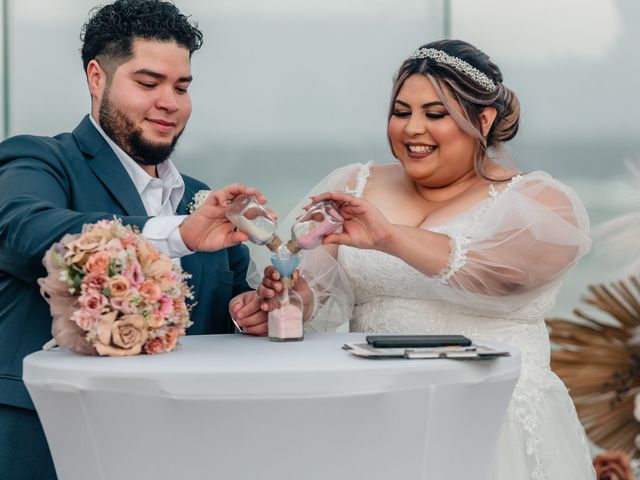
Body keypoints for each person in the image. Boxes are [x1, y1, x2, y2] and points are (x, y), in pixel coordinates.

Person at [257, 39, 596, 478]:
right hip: (375, 419)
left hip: (495, 423)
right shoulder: (354, 184)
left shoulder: (540, 201)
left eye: (436, 115)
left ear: (485, 119)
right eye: (401, 112)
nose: (413, 129)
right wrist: (287, 299)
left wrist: (387, 237)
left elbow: (500, 275)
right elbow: (316, 290)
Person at [0, 1, 267, 478]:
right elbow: (27, 231)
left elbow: (225, 320)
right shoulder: (37, 159)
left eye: (181, 87)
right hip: (47, 441)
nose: (170, 102)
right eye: (148, 83)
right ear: (97, 78)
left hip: (181, 449)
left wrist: (258, 313)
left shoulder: (202, 198)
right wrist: (175, 235)